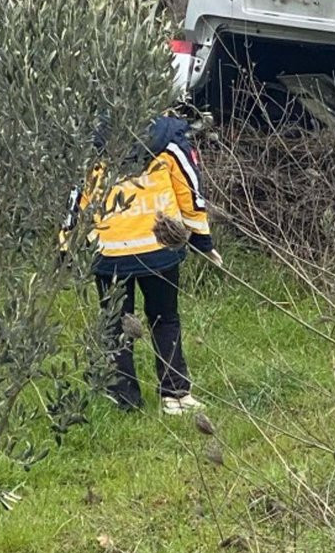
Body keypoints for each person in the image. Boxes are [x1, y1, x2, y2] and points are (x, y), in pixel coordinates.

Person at [64, 112, 220, 416]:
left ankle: (124, 397)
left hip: (109, 250)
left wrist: (65, 246)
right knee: (166, 318)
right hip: (160, 246)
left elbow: (76, 198)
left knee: (116, 324)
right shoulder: (170, 136)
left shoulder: (89, 140)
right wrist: (201, 238)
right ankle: (175, 394)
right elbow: (189, 189)